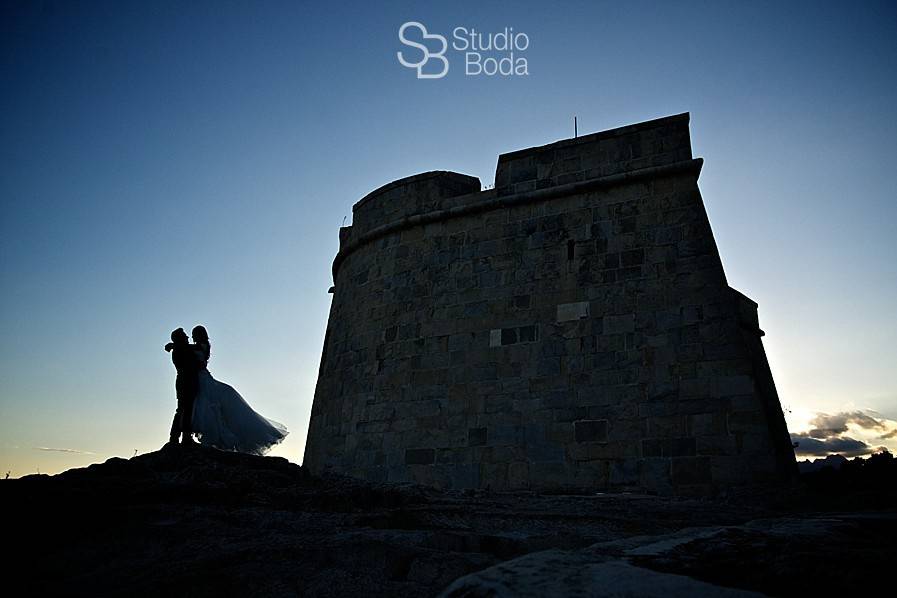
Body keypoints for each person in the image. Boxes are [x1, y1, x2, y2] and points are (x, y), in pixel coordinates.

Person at [188, 325, 288, 454]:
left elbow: (194, 351)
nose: (192, 337)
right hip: (200, 378)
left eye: (194, 334)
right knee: (206, 406)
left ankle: (216, 437)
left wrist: (175, 345)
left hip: (203, 378)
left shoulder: (202, 345)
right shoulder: (198, 346)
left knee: (209, 406)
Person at [164, 328, 201, 446]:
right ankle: (180, 437)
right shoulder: (181, 350)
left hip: (185, 382)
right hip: (186, 382)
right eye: (184, 336)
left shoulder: (180, 348)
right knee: (184, 410)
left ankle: (180, 436)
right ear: (180, 338)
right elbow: (189, 364)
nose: (187, 337)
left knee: (184, 410)